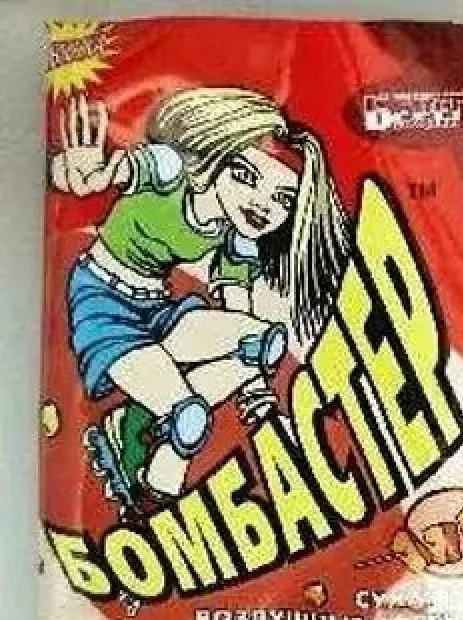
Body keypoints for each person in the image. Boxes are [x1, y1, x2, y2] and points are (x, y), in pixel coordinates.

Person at [50, 87, 351, 506]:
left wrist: (255, 383)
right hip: (103, 306)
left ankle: (142, 441)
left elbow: (237, 307)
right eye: (246, 177)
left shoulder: (238, 238)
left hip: (159, 310)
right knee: (189, 417)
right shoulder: (170, 168)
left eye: (283, 199)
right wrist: (82, 173)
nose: (262, 205)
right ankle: (153, 471)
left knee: (263, 342)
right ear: (215, 158)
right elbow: (106, 174)